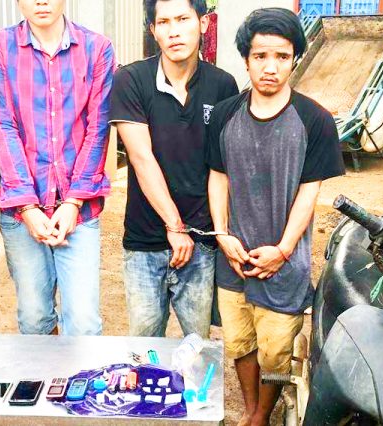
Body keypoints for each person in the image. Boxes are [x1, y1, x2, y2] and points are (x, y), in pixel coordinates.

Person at [206, 8, 345, 426]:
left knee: (276, 350)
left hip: (284, 266)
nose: (270, 67)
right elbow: (218, 177)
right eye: (260, 56)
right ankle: (253, 410)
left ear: (295, 58)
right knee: (239, 343)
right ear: (246, 60)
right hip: (234, 260)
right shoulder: (225, 115)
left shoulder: (315, 120)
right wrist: (222, 234)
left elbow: (309, 192)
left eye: (282, 57)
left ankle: (263, 414)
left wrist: (283, 250)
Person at [0, 0, 115, 336]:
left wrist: (73, 202)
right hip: (21, 213)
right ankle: (48, 373)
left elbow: (98, 127)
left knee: (83, 323)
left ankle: (78, 373)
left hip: (79, 211)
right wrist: (27, 207)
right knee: (35, 319)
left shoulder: (97, 49)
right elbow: (3, 125)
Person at [110, 0, 238, 338]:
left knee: (196, 346)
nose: (174, 31)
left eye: (183, 19)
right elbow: (141, 158)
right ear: (153, 31)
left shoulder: (223, 86)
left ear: (203, 23)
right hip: (144, 241)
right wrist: (174, 226)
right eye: (164, 22)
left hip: (201, 242)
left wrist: (217, 231)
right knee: (144, 348)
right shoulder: (131, 80)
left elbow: (221, 167)